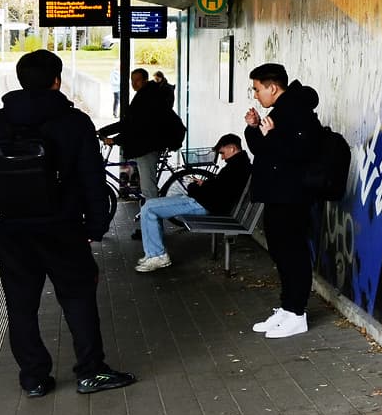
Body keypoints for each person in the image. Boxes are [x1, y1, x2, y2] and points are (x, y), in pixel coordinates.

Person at [0, 49, 138, 398]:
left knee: (21, 305)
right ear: (57, 81)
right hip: (64, 227)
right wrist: (95, 227)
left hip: (14, 231)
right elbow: (92, 180)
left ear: (20, 81)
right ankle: (90, 372)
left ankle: (33, 378)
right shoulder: (75, 123)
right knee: (79, 300)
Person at [241, 62, 321, 339]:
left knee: (292, 252)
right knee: (280, 250)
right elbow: (264, 150)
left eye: (257, 89)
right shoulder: (280, 111)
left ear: (272, 88)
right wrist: (254, 128)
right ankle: (288, 308)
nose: (255, 95)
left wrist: (271, 134)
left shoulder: (296, 111)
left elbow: (298, 153)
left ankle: (297, 313)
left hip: (292, 196)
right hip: (278, 194)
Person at [132, 133, 251, 272]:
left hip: (203, 204)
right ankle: (153, 254)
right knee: (149, 206)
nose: (222, 158)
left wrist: (193, 187)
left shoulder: (235, 168)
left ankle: (157, 255)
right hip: (204, 202)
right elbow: (220, 188)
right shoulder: (239, 165)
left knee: (149, 208)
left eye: (222, 153)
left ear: (232, 148)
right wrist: (204, 184)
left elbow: (217, 193)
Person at [98, 69, 184, 200]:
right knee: (139, 183)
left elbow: (139, 126)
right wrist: (103, 131)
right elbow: (127, 123)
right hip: (142, 145)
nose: (134, 83)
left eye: (137, 80)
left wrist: (115, 140)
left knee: (148, 189)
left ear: (145, 80)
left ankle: (154, 211)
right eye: (132, 80)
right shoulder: (143, 95)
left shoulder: (149, 97)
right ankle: (143, 206)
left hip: (148, 147)